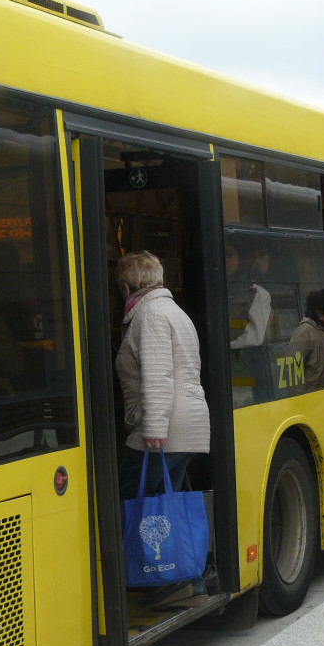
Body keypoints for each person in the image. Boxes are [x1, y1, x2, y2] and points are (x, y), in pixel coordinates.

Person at [114, 251, 211, 606]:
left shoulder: (150, 314)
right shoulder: (172, 310)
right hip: (184, 425)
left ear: (126, 289)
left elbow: (158, 375)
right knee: (164, 502)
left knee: (131, 498)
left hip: (165, 428)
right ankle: (183, 579)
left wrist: (154, 428)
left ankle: (170, 579)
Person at [287, 289, 324, 392]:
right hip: (315, 398)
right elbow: (292, 371)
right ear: (319, 311)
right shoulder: (305, 332)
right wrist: (302, 398)